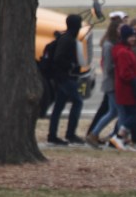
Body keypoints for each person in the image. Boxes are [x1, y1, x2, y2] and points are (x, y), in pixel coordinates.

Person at [46, 14, 85, 146]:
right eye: (79, 24)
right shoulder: (68, 40)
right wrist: (71, 66)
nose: (80, 26)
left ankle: (52, 135)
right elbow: (59, 58)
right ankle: (70, 134)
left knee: (59, 106)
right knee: (78, 102)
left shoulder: (65, 37)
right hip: (64, 77)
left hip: (61, 77)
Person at [87, 17, 122, 146]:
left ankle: (95, 134)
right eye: (119, 28)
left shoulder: (115, 43)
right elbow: (107, 67)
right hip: (111, 83)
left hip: (113, 82)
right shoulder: (109, 45)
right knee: (118, 111)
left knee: (113, 111)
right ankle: (99, 134)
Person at [109, 24, 136, 150]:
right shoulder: (123, 52)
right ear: (124, 37)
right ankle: (119, 136)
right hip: (127, 89)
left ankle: (124, 140)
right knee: (135, 114)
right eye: (130, 36)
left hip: (127, 87)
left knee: (130, 114)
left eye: (134, 36)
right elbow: (124, 73)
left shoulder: (126, 49)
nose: (133, 38)